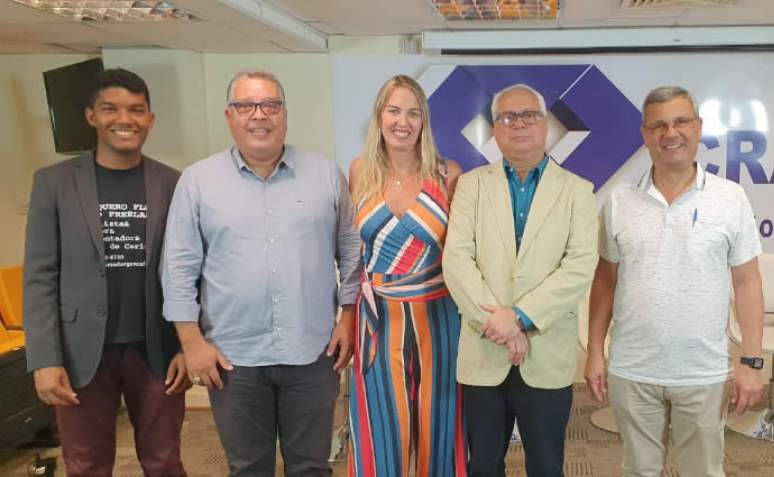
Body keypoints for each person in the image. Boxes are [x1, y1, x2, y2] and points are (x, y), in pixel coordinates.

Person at [160, 69, 362, 476]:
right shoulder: (197, 182)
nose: (259, 115)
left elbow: (350, 248)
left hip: (312, 352)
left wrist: (348, 316)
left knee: (311, 467)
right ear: (229, 115)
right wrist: (191, 342)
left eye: (270, 105)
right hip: (232, 359)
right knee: (248, 468)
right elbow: (179, 266)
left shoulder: (325, 174)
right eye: (246, 106)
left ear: (284, 114)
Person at [584, 85, 765, 477]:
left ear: (698, 128)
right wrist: (595, 350)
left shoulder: (730, 198)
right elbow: (605, 282)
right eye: (659, 125)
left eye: (681, 122)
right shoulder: (619, 201)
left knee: (702, 471)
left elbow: (748, 283)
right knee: (638, 470)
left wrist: (751, 361)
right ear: (645, 135)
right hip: (633, 368)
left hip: (703, 371)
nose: (671, 133)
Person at [23, 67, 189, 477]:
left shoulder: (174, 183)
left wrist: (188, 345)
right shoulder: (54, 183)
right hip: (78, 354)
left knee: (165, 463)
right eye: (111, 108)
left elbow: (190, 270)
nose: (124, 119)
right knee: (86, 466)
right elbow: (40, 276)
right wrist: (44, 358)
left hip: (157, 349)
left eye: (136, 109)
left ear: (150, 118)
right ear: (91, 116)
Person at [443, 83, 598, 477]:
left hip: (545, 353)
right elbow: (457, 259)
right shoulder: (471, 186)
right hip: (484, 349)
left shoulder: (578, 191)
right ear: (495, 129)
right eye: (508, 117)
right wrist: (497, 322)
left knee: (546, 465)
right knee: (483, 465)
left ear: (545, 125)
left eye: (529, 115)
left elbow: (579, 267)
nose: (519, 124)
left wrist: (519, 318)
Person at [344, 74, 466, 477]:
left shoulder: (448, 174)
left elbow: (462, 254)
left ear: (424, 121)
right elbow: (353, 252)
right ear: (379, 116)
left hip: (438, 315)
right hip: (377, 319)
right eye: (394, 111)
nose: (403, 121)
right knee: (381, 426)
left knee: (439, 424)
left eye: (413, 113)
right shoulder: (359, 171)